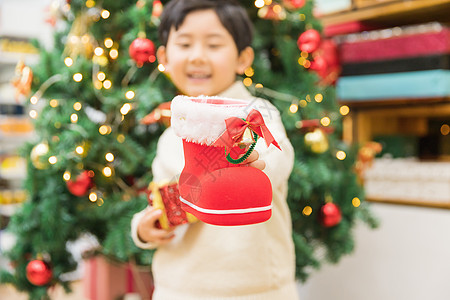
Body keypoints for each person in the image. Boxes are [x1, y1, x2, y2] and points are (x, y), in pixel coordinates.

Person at [131, 0, 298, 299]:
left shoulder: (259, 114)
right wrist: (144, 228)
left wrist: (251, 161)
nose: (197, 57)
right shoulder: (172, 134)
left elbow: (278, 162)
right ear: (165, 57)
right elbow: (162, 199)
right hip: (179, 288)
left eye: (213, 44)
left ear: (243, 58)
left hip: (256, 289)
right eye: (184, 44)